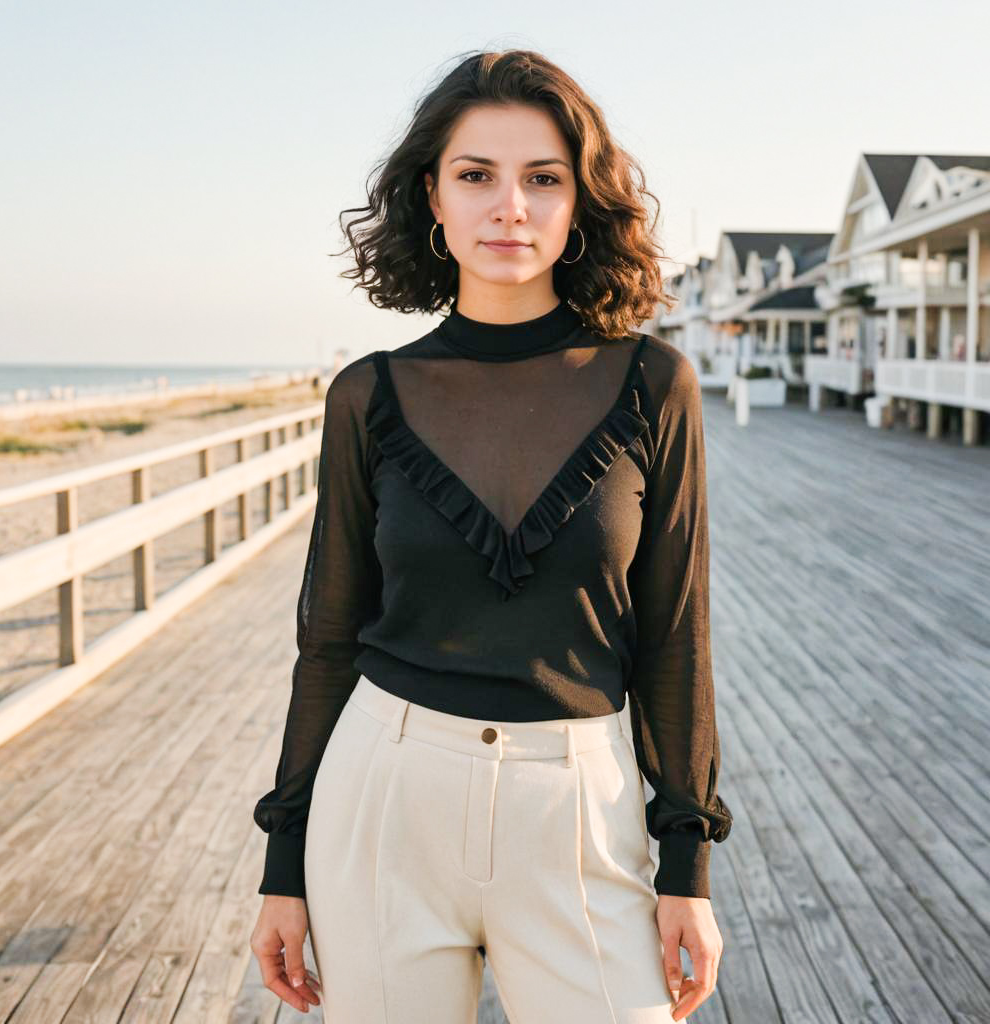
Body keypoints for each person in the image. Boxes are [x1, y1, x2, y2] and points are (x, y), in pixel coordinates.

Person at [249, 48, 732, 1023]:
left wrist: (686, 861)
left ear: (577, 202)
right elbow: (329, 635)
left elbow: (675, 635)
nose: (509, 205)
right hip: (383, 801)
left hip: (580, 813)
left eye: (542, 178)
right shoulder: (368, 396)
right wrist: (283, 865)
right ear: (432, 195)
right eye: (477, 175)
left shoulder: (653, 386)